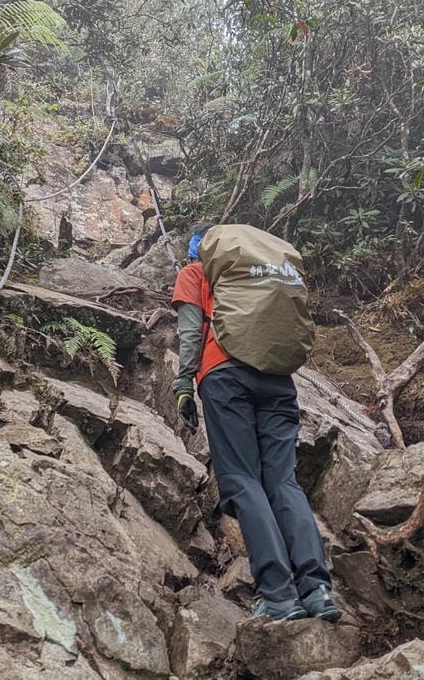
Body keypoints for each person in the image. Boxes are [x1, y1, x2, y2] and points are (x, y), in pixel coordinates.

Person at [170, 222, 341, 622]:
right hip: (277, 380)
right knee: (283, 481)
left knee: (243, 481)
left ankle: (278, 594)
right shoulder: (257, 272)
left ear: (198, 248)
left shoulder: (194, 273)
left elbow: (191, 333)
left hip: (224, 377)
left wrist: (183, 385)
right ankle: (317, 589)